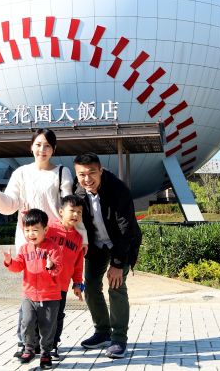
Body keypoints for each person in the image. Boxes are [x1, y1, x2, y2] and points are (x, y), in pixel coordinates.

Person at [0, 128, 88, 356]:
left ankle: (49, 344)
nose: (42, 150)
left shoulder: (62, 172)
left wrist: (81, 235)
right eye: (38, 144)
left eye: (47, 145)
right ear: (31, 147)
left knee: (54, 297)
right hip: (30, 242)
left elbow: (69, 207)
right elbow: (8, 204)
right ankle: (26, 343)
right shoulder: (21, 173)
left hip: (56, 244)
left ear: (54, 149)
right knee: (30, 293)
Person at [73, 152, 142, 359]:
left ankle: (119, 339)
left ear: (101, 170)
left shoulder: (118, 189)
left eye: (92, 173)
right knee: (92, 286)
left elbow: (126, 229)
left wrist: (118, 263)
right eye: (82, 174)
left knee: (116, 285)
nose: (87, 179)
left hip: (121, 243)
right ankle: (102, 331)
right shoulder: (78, 192)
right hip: (96, 245)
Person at [3, 208, 63, 370]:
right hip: (29, 295)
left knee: (47, 326)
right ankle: (29, 349)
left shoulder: (53, 248)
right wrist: (9, 261)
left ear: (45, 229)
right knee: (27, 321)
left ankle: (45, 354)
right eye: (27, 230)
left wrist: (51, 266)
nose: (31, 234)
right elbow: (18, 266)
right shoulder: (24, 249)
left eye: (35, 230)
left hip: (50, 297)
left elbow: (58, 270)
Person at [44, 194, 86, 358]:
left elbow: (78, 265)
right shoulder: (49, 229)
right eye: (72, 211)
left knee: (58, 316)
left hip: (61, 286)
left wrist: (77, 284)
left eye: (79, 212)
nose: (76, 215)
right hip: (44, 283)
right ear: (61, 211)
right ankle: (34, 344)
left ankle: (53, 344)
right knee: (39, 315)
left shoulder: (78, 238)